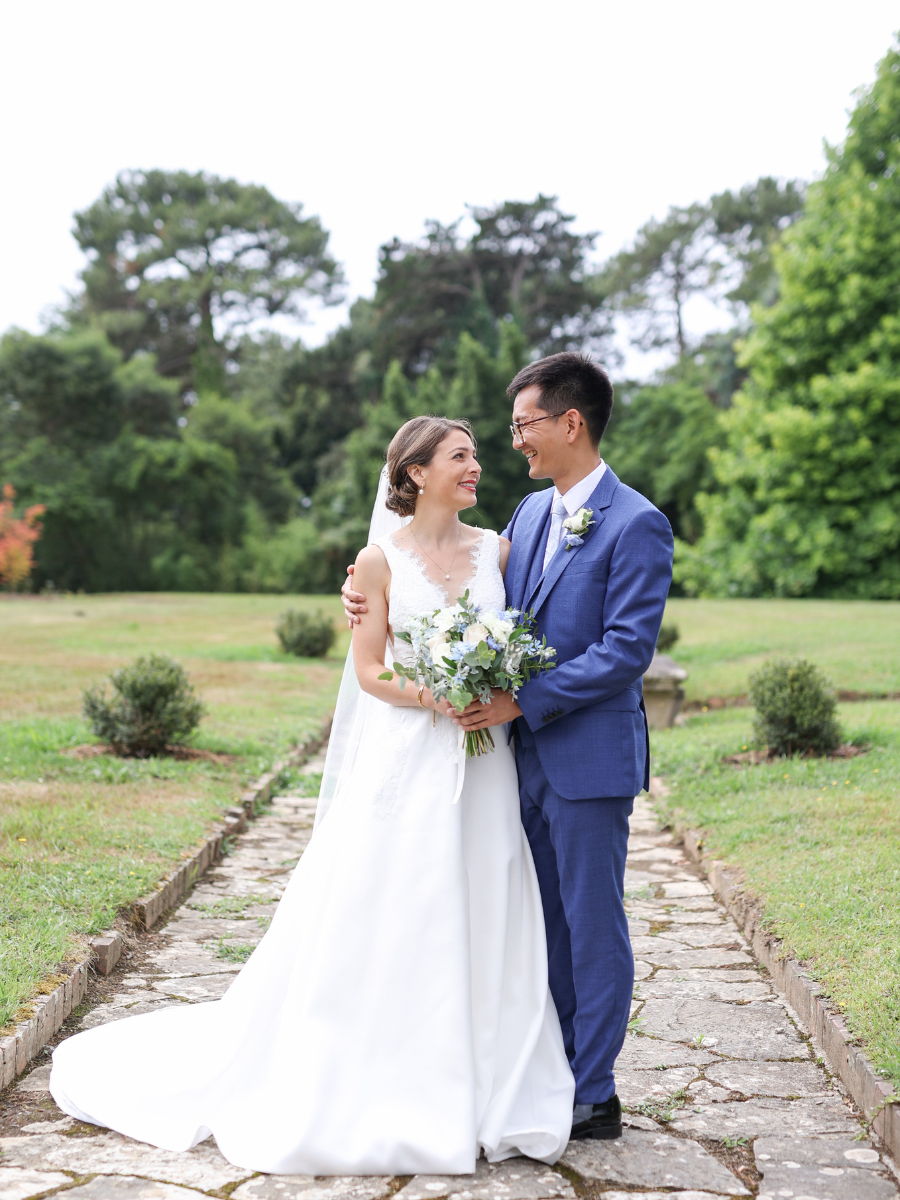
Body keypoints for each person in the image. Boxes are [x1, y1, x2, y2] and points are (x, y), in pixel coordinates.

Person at [50, 415, 575, 1176]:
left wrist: (489, 689)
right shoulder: (377, 561)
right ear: (416, 471)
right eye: (461, 456)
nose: (477, 468)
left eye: (477, 456)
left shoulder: (501, 548)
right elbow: (369, 673)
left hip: (487, 757)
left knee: (488, 894)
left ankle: (493, 1082)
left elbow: (535, 623)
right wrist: (438, 695)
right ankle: (384, 1070)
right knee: (401, 901)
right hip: (413, 755)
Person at [343, 354, 674, 1140]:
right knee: (538, 925)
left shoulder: (636, 523)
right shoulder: (525, 518)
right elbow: (452, 584)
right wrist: (366, 590)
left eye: (525, 424)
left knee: (592, 924)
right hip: (513, 765)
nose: (514, 440)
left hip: (587, 759)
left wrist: (517, 701)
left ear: (571, 423)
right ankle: (544, 1067)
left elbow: (626, 651)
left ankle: (592, 1091)